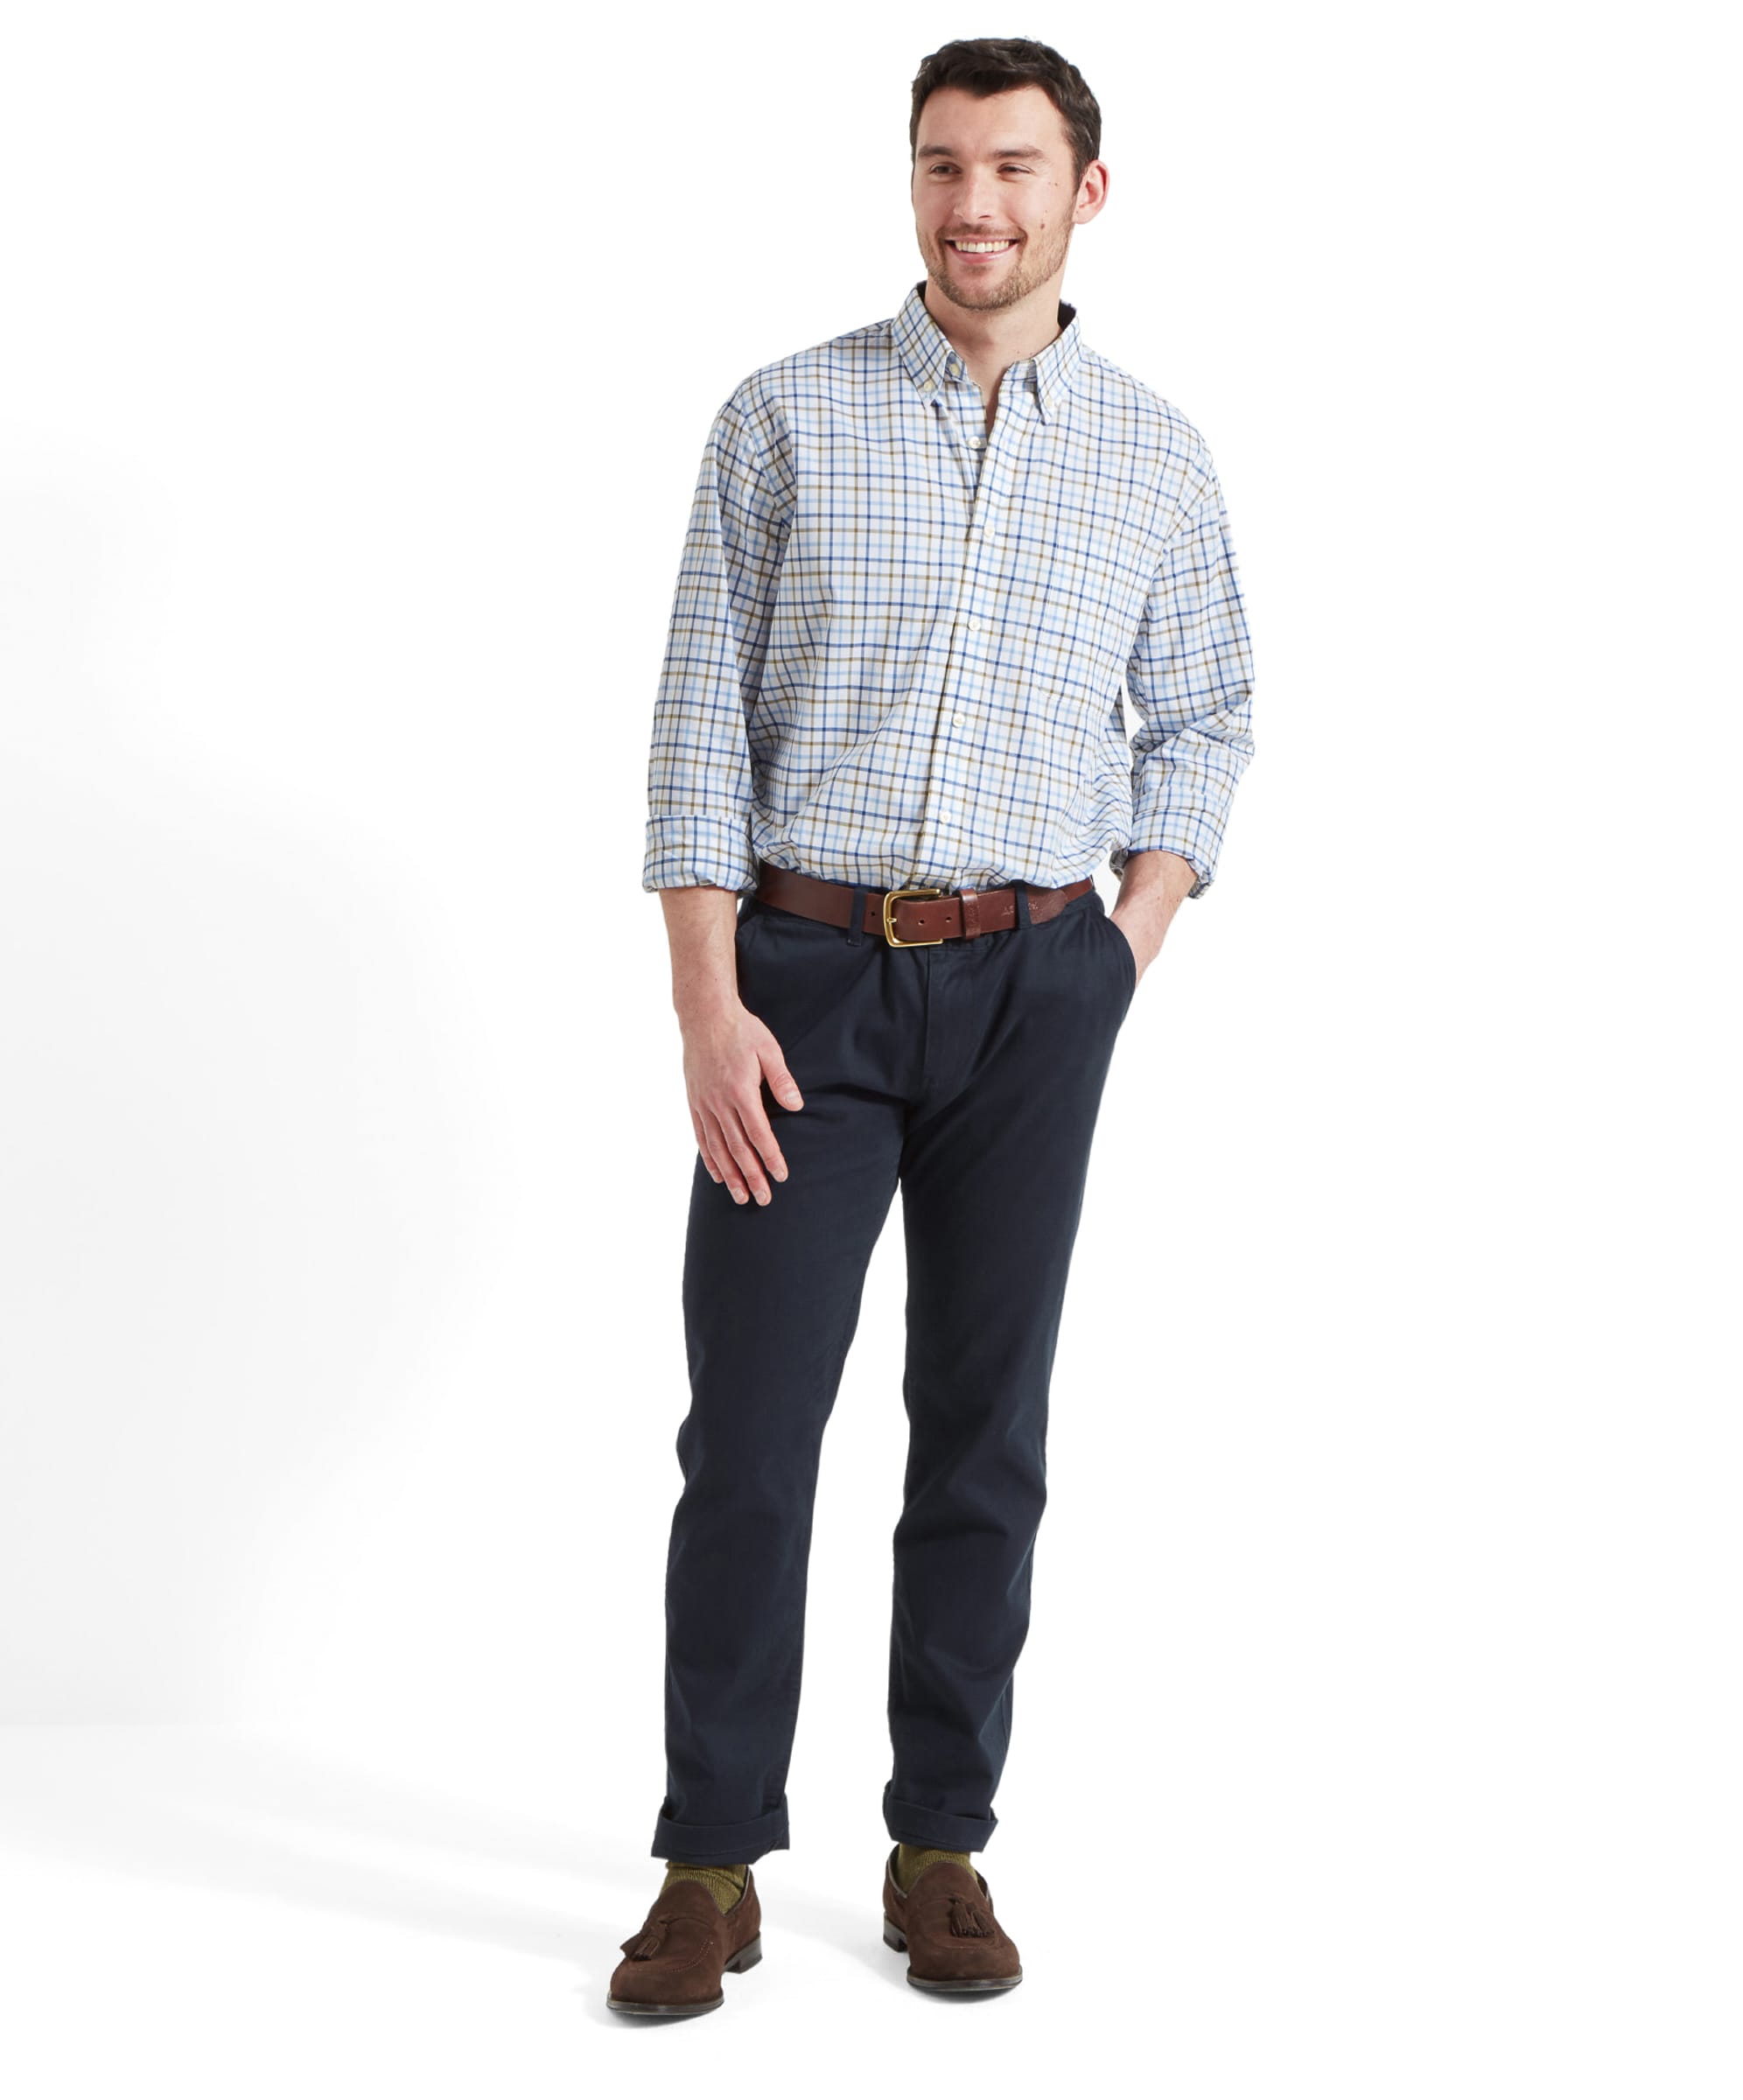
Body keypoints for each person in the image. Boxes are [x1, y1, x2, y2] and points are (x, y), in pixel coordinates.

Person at [609, 34, 1255, 2016]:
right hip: (798, 992)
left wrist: (1116, 958)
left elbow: (1209, 717)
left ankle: (940, 1843)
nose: (975, 203)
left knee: (984, 1434)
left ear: (1088, 192)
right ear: (910, 182)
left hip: (1035, 988)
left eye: (1014, 167)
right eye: (942, 164)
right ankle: (709, 1856)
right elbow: (700, 727)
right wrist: (709, 1008)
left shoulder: (1154, 451)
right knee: (754, 1434)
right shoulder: (784, 416)